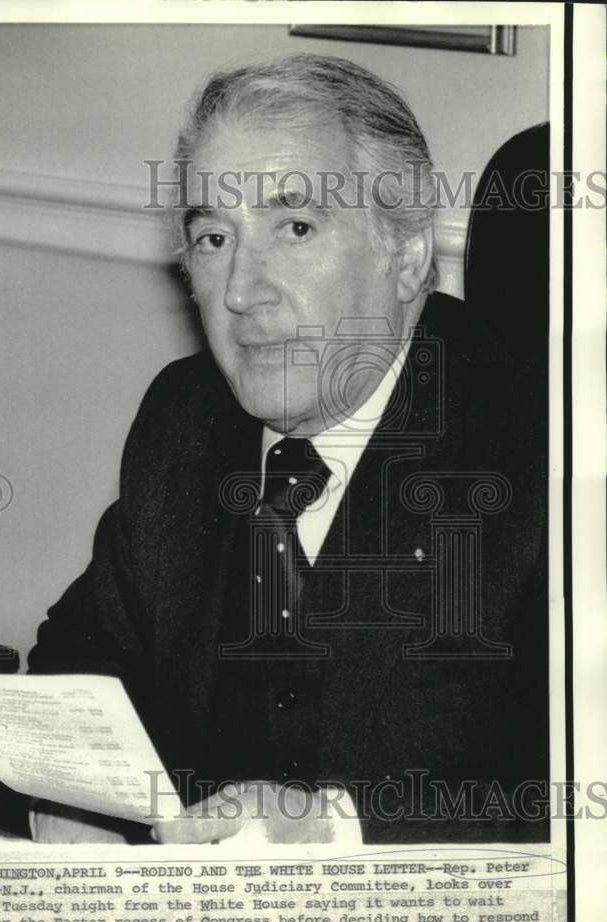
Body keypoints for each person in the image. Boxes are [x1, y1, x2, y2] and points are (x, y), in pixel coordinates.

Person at [27, 54, 548, 844]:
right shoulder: (186, 417)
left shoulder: (550, 450)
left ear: (406, 256)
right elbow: (86, 645)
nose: (242, 290)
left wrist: (333, 831)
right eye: (213, 238)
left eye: (295, 228)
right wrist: (78, 796)